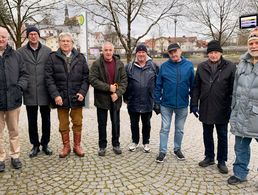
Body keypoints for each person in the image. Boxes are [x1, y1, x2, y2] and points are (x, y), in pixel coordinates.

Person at [190, 40, 236, 174]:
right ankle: (209, 157)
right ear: (208, 54)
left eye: (216, 52)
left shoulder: (230, 67)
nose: (213, 55)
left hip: (223, 107)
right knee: (207, 134)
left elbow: (234, 89)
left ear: (220, 53)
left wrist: (232, 107)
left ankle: (222, 161)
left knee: (222, 135)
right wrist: (194, 104)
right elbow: (196, 87)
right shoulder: (202, 67)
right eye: (210, 53)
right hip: (206, 106)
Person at [45, 32, 89, 158]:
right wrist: (55, 95)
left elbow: (86, 77)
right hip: (61, 97)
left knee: (78, 122)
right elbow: (49, 79)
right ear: (59, 43)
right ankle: (66, 146)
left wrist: (82, 92)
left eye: (68, 41)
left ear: (72, 43)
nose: (65, 43)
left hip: (77, 96)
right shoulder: (52, 58)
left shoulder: (80, 57)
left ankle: (77, 145)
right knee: (63, 123)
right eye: (63, 41)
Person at [154, 43, 194, 163]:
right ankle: (162, 151)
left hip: (182, 104)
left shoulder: (188, 65)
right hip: (166, 103)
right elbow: (158, 85)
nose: (173, 54)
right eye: (170, 52)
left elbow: (193, 85)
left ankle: (177, 149)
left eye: (175, 51)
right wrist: (156, 101)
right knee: (164, 128)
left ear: (180, 51)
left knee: (179, 129)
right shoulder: (164, 67)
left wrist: (194, 102)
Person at [227, 28, 258, 185]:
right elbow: (235, 87)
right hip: (241, 112)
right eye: (251, 43)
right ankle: (240, 174)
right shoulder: (242, 63)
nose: (253, 46)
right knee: (240, 147)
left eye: (256, 42)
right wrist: (234, 108)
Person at [18, 26, 52, 158]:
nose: (33, 36)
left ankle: (45, 144)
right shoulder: (20, 52)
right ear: (27, 36)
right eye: (31, 34)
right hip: (30, 91)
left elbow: (51, 70)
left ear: (38, 35)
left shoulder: (48, 51)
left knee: (46, 120)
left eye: (35, 34)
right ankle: (35, 145)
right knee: (32, 120)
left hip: (44, 90)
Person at [89, 42, 127, 156]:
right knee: (102, 124)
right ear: (102, 51)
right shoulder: (96, 64)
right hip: (101, 99)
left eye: (110, 50)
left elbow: (124, 81)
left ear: (113, 51)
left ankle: (116, 144)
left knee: (116, 123)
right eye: (106, 50)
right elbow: (92, 79)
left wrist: (118, 93)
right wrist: (108, 88)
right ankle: (102, 146)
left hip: (115, 99)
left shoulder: (119, 64)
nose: (108, 52)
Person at [0, 27, 28, 171]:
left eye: (3, 36)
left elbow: (24, 75)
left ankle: (15, 156)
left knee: (14, 131)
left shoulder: (16, 56)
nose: (1, 39)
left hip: (13, 100)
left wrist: (19, 88)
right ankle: (0, 159)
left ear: (7, 38)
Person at [124, 44, 158, 153]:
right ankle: (135, 141)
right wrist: (125, 97)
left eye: (143, 52)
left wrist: (156, 98)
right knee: (134, 123)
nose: (141, 54)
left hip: (148, 100)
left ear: (146, 53)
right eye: (139, 52)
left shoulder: (153, 66)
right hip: (133, 100)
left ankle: (146, 142)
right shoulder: (129, 67)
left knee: (146, 123)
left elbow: (158, 83)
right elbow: (125, 83)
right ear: (136, 54)